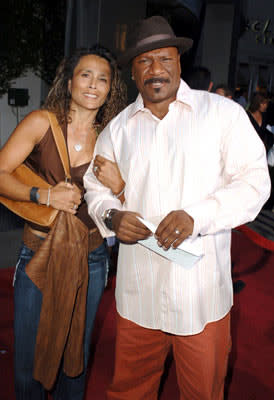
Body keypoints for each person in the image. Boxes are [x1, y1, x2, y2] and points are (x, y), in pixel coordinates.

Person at [84, 16, 271, 400]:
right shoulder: (116, 130)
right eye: (144, 61)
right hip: (139, 295)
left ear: (179, 63)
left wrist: (196, 217)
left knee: (203, 394)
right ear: (132, 73)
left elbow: (255, 184)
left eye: (164, 59)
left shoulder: (222, 116)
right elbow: (94, 187)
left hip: (200, 298)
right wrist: (111, 216)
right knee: (128, 393)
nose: (156, 70)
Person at [0, 45, 126, 400]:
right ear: (69, 81)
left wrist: (121, 186)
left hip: (92, 258)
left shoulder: (114, 137)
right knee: (27, 359)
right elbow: (1, 172)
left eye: (103, 79)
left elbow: (130, 206)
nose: (93, 85)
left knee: (76, 355)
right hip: (39, 252)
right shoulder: (41, 122)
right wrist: (44, 195)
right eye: (85, 74)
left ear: (111, 88)